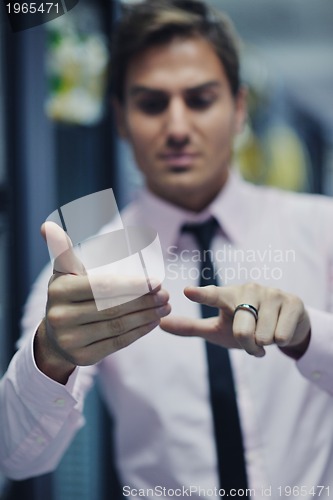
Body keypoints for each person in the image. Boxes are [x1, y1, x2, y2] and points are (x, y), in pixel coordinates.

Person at [1, 0, 333, 498]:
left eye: (200, 99)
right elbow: (16, 458)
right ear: (120, 118)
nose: (177, 128)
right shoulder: (85, 269)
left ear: (239, 108)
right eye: (152, 103)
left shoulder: (322, 230)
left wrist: (311, 335)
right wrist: (50, 357)